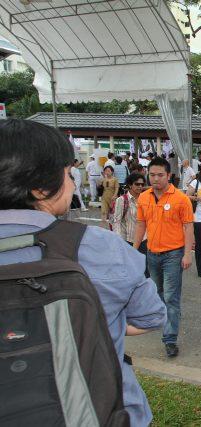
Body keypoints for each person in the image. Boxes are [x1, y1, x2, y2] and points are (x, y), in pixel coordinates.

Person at [0, 118, 166, 426]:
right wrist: (103, 323)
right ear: (39, 188)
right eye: (67, 174)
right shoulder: (101, 247)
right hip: (101, 408)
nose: (73, 183)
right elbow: (152, 317)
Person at [134, 157, 194, 358]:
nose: (155, 179)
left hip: (173, 255)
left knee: (170, 296)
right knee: (158, 293)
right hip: (152, 253)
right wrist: (134, 251)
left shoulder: (181, 199)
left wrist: (187, 254)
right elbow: (141, 224)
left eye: (160, 175)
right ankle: (171, 316)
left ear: (169, 176)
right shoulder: (144, 198)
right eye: (152, 175)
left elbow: (188, 227)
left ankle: (170, 339)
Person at [113, 172, 146, 245]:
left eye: (142, 184)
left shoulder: (146, 199)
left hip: (144, 240)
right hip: (128, 241)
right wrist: (118, 240)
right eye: (137, 184)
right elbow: (117, 222)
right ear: (130, 185)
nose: (140, 186)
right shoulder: (122, 200)